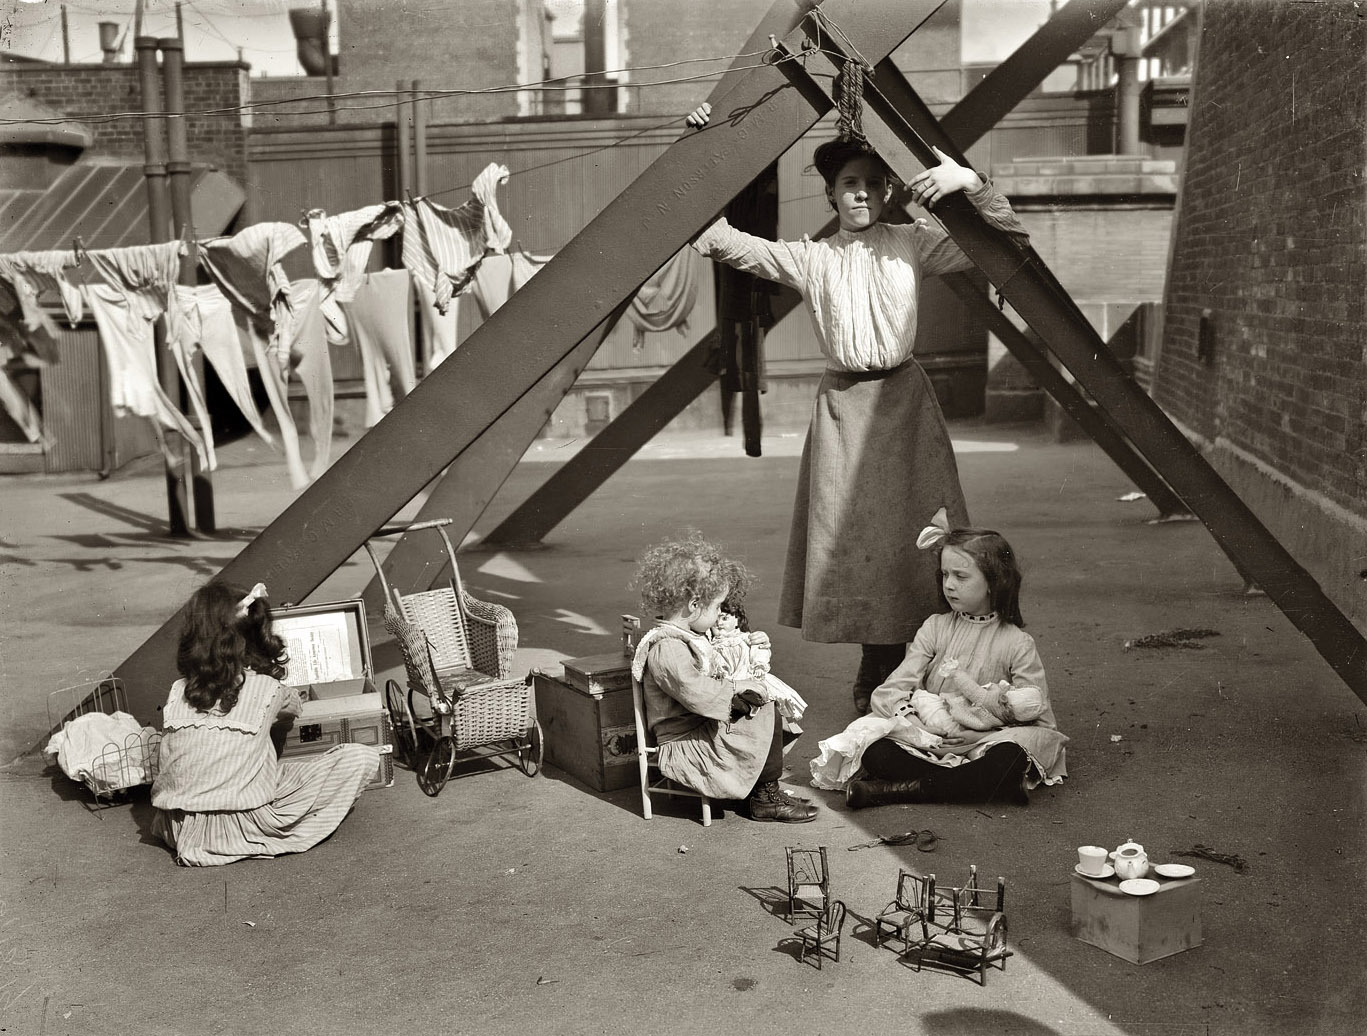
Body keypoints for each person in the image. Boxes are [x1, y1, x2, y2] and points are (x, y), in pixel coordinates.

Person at [685, 101, 1030, 715]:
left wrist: (967, 181)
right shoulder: (812, 258)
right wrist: (699, 145)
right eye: (850, 183)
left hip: (907, 405)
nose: (863, 193)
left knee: (923, 540)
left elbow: (1005, 242)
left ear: (891, 190)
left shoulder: (914, 244)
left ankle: (921, 662)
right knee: (857, 544)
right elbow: (718, 239)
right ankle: (877, 661)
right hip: (843, 411)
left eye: (874, 182)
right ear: (831, 194)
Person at [809, 510, 1067, 807]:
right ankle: (977, 786)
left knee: (1011, 757)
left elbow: (1037, 713)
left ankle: (900, 790)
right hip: (930, 735)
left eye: (961, 576)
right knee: (874, 749)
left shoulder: (1017, 643)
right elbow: (892, 689)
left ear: (994, 582)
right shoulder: (935, 627)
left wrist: (977, 736)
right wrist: (917, 723)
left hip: (984, 741)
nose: (949, 584)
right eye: (945, 574)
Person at [150, 581, 378, 866]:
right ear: (253, 639)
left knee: (255, 768)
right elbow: (294, 708)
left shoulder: (178, 689)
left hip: (177, 825)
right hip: (239, 827)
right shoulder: (268, 688)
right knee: (359, 757)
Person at [629, 533, 818, 823]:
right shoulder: (667, 647)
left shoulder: (687, 636)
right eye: (717, 607)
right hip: (687, 743)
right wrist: (737, 688)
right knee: (764, 711)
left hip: (700, 726)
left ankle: (759, 789)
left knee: (765, 704)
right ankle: (764, 798)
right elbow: (695, 691)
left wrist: (749, 654)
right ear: (694, 605)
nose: (720, 614)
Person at [709, 595, 808, 728]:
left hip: (747, 675)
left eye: (724, 618)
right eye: (715, 620)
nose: (719, 623)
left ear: (736, 620)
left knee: (761, 697)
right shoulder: (712, 645)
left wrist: (759, 665)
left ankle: (751, 702)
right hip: (728, 680)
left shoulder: (745, 638)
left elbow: (759, 650)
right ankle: (740, 704)